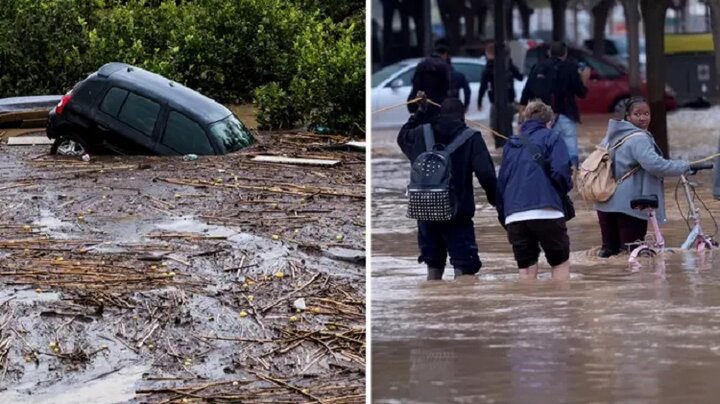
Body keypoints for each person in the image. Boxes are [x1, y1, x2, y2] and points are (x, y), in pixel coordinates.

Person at [397, 96, 498, 280]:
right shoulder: (471, 138)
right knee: (465, 267)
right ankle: (460, 305)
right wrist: (496, 200)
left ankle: (434, 302)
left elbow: (402, 136)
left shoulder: (420, 133)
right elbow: (487, 175)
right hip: (457, 214)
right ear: (463, 116)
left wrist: (419, 113)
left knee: (433, 265)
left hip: (425, 211)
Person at [594, 97, 692, 258]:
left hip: (605, 203)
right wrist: (683, 166)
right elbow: (655, 165)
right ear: (628, 116)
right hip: (630, 206)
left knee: (610, 254)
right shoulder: (639, 138)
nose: (643, 118)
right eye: (637, 114)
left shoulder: (611, 136)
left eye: (646, 113)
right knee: (632, 254)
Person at [496, 100, 573, 281]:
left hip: (515, 216)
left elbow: (501, 183)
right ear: (549, 122)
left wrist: (505, 216)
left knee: (526, 270)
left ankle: (528, 305)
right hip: (548, 212)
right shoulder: (552, 137)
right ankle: (562, 306)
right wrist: (564, 190)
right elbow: (561, 171)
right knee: (559, 263)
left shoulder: (511, 144)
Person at [520, 41, 590, 168]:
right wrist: (584, 79)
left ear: (549, 53)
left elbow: (526, 93)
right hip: (564, 114)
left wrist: (523, 116)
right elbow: (581, 93)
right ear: (565, 53)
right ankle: (571, 178)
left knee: (542, 148)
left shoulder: (537, 67)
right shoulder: (570, 67)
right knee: (570, 150)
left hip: (540, 117)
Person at [478, 42, 524, 133]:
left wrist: (479, 101)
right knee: (507, 126)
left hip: (497, 102)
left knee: (496, 127)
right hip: (508, 100)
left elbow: (483, 86)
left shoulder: (489, 68)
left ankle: (502, 143)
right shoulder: (508, 65)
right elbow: (520, 77)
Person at [407, 45, 451, 115]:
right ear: (445, 54)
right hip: (439, 104)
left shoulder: (422, 64)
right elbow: (448, 86)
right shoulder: (444, 66)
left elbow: (416, 84)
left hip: (424, 103)